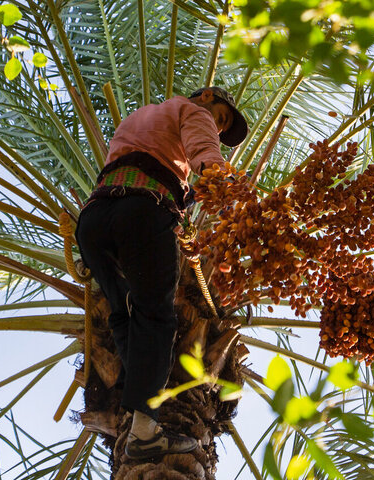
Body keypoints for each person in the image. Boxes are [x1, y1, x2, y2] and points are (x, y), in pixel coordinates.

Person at [76, 87, 248, 460]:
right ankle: (143, 430)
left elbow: (143, 157)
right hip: (141, 212)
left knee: (124, 312)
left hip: (93, 221)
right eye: (220, 117)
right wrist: (228, 189)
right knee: (157, 318)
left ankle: (129, 386)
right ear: (204, 97)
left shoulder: (142, 115)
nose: (217, 128)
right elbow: (205, 152)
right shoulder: (194, 113)